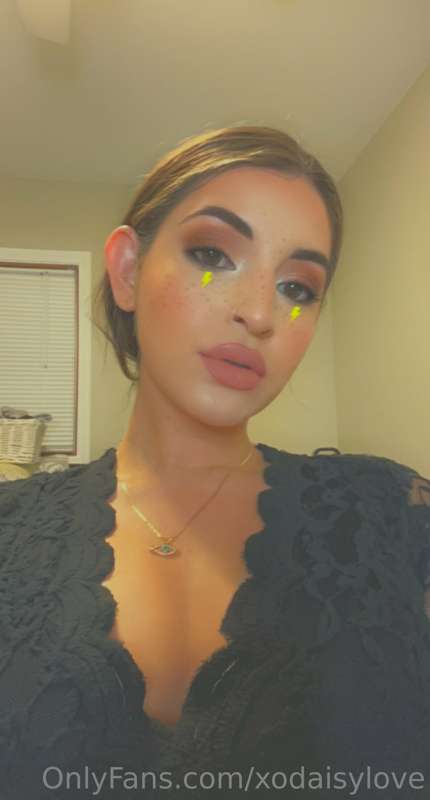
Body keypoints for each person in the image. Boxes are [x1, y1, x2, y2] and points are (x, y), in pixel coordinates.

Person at [0, 125, 429, 799]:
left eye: (298, 288)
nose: (260, 313)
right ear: (128, 270)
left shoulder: (387, 510)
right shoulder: (11, 530)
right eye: (212, 254)